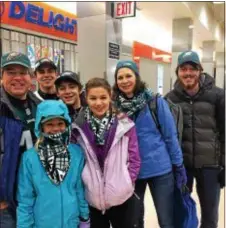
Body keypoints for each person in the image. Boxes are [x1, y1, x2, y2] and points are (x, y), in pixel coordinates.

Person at [112, 60, 187, 228]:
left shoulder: (154, 102)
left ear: (136, 77)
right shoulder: (115, 107)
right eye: (120, 77)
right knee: (134, 221)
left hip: (160, 170)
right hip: (131, 172)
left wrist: (178, 164)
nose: (124, 81)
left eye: (128, 76)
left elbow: (170, 135)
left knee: (166, 219)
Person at [166, 50, 225, 228]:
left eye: (193, 68)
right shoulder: (170, 99)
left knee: (210, 214)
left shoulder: (218, 96)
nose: (188, 73)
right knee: (182, 210)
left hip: (210, 166)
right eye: (184, 69)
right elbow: (168, 135)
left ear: (200, 70)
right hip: (182, 165)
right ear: (178, 72)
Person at [71, 78, 141, 228]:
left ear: (110, 96)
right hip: (92, 198)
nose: (98, 103)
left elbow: (134, 158)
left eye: (103, 97)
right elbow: (76, 160)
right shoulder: (78, 128)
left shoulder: (125, 125)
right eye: (93, 98)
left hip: (120, 197)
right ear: (85, 98)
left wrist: (127, 182)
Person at [17, 100, 90, 228]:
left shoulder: (76, 152)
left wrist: (84, 217)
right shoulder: (30, 157)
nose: (56, 128)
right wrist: (24, 225)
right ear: (41, 127)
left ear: (67, 125)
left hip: (71, 222)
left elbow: (79, 189)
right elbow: (25, 198)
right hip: (43, 223)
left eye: (60, 123)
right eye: (49, 124)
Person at [0, 51, 41, 227]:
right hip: (6, 203)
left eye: (22, 72)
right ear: (1, 77)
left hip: (35, 196)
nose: (17, 78)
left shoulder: (39, 106)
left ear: (30, 77)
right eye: (11, 72)